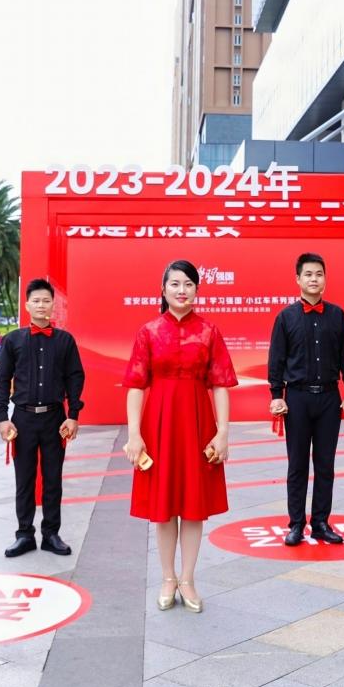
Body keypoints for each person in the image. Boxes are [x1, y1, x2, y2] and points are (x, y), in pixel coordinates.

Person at [124, 260, 236, 613]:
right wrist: (134, 434)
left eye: (188, 284)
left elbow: (220, 385)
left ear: (197, 290)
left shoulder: (209, 331)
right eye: (174, 284)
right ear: (163, 290)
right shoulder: (148, 332)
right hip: (158, 424)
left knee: (193, 505)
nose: (181, 290)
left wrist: (222, 432)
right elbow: (135, 385)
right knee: (163, 507)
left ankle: (187, 579)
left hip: (197, 423)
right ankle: (167, 577)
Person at [267, 252, 344, 546]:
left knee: (325, 464)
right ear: (298, 279)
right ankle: (296, 523)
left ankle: (320, 522)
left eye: (319, 274)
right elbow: (276, 360)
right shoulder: (286, 318)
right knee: (297, 465)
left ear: (325, 279)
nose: (314, 279)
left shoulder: (337, 315)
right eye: (308, 274)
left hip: (330, 398)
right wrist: (276, 395)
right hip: (297, 399)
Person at [0, 278, 85, 558]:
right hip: (22, 420)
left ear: (53, 305)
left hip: (55, 420)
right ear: (27, 305)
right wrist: (2, 417)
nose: (41, 305)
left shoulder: (65, 341)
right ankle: (24, 535)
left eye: (46, 300)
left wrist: (73, 415)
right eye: (36, 301)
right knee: (24, 479)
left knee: (53, 479)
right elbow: (2, 380)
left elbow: (75, 378)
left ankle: (51, 534)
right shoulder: (13, 340)